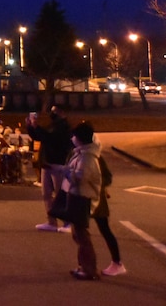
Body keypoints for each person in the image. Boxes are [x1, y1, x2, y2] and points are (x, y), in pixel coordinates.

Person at [63, 120, 102, 280]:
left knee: (82, 235)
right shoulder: (82, 153)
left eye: (75, 136)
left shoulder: (88, 158)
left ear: (80, 138)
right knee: (78, 234)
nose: (73, 138)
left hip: (82, 198)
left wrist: (66, 173)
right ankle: (83, 266)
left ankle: (89, 269)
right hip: (77, 196)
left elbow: (80, 177)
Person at [27, 105, 73, 232]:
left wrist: (36, 126)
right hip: (47, 164)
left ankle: (67, 222)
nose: (53, 113)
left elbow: (50, 138)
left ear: (62, 112)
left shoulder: (64, 126)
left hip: (58, 164)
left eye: (55, 111)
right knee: (46, 194)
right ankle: (51, 221)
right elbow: (40, 136)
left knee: (60, 195)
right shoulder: (53, 124)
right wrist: (31, 126)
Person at [92, 140, 126, 276]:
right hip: (84, 197)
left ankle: (117, 263)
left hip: (96, 198)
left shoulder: (94, 156)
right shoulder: (78, 154)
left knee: (104, 229)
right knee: (80, 231)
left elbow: (107, 177)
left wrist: (96, 184)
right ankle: (85, 265)